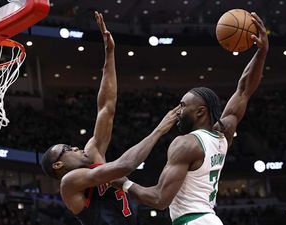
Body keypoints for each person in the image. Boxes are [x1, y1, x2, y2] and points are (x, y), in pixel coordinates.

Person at [112, 12, 269, 225]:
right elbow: (243, 91)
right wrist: (261, 52)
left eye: (183, 105)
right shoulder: (223, 134)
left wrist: (123, 183)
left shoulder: (185, 144)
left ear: (200, 112)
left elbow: (159, 199)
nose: (178, 110)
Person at [41, 12, 179, 225]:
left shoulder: (93, 152)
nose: (76, 148)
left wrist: (110, 54)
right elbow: (126, 166)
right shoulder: (69, 183)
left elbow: (106, 107)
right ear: (58, 165)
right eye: (68, 148)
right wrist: (159, 130)